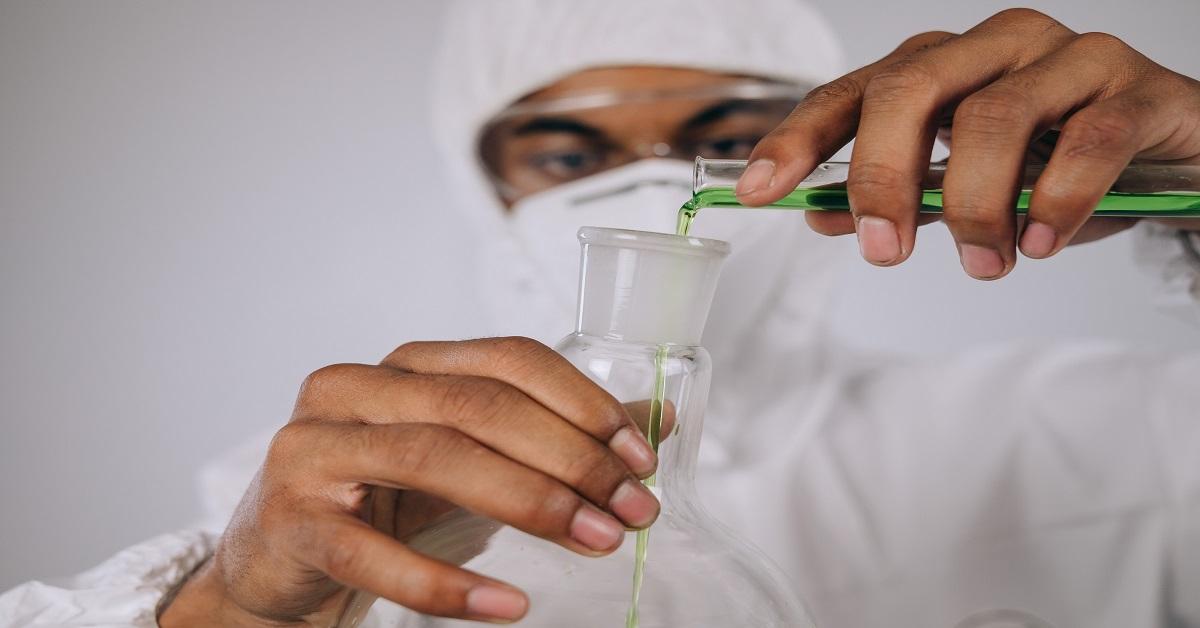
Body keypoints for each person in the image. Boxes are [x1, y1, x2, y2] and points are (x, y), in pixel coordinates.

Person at [4, 0, 1200, 626]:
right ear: (489, 188)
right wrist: (227, 617)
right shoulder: (320, 505)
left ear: (837, 148)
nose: (650, 189)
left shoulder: (1122, 435)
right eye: (567, 149)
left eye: (727, 142)